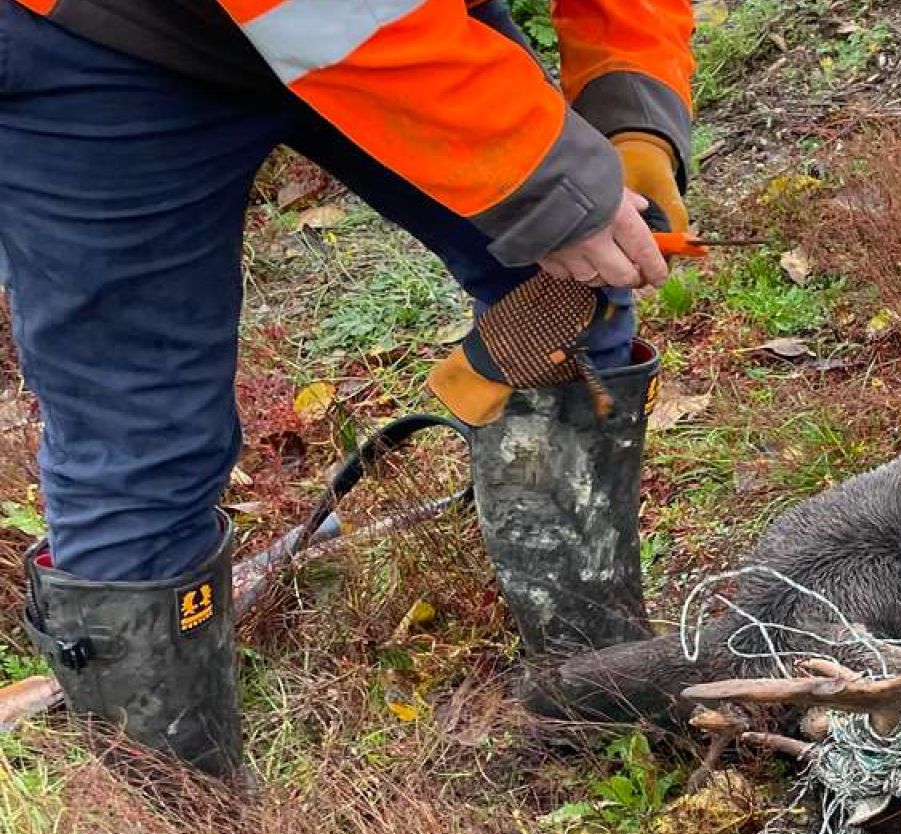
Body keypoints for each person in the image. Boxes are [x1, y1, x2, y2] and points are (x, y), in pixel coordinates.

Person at [0, 0, 695, 775]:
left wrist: (631, 111)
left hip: (390, 17)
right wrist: (554, 184)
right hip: (105, 44)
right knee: (139, 445)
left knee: (566, 292)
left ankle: (601, 699)